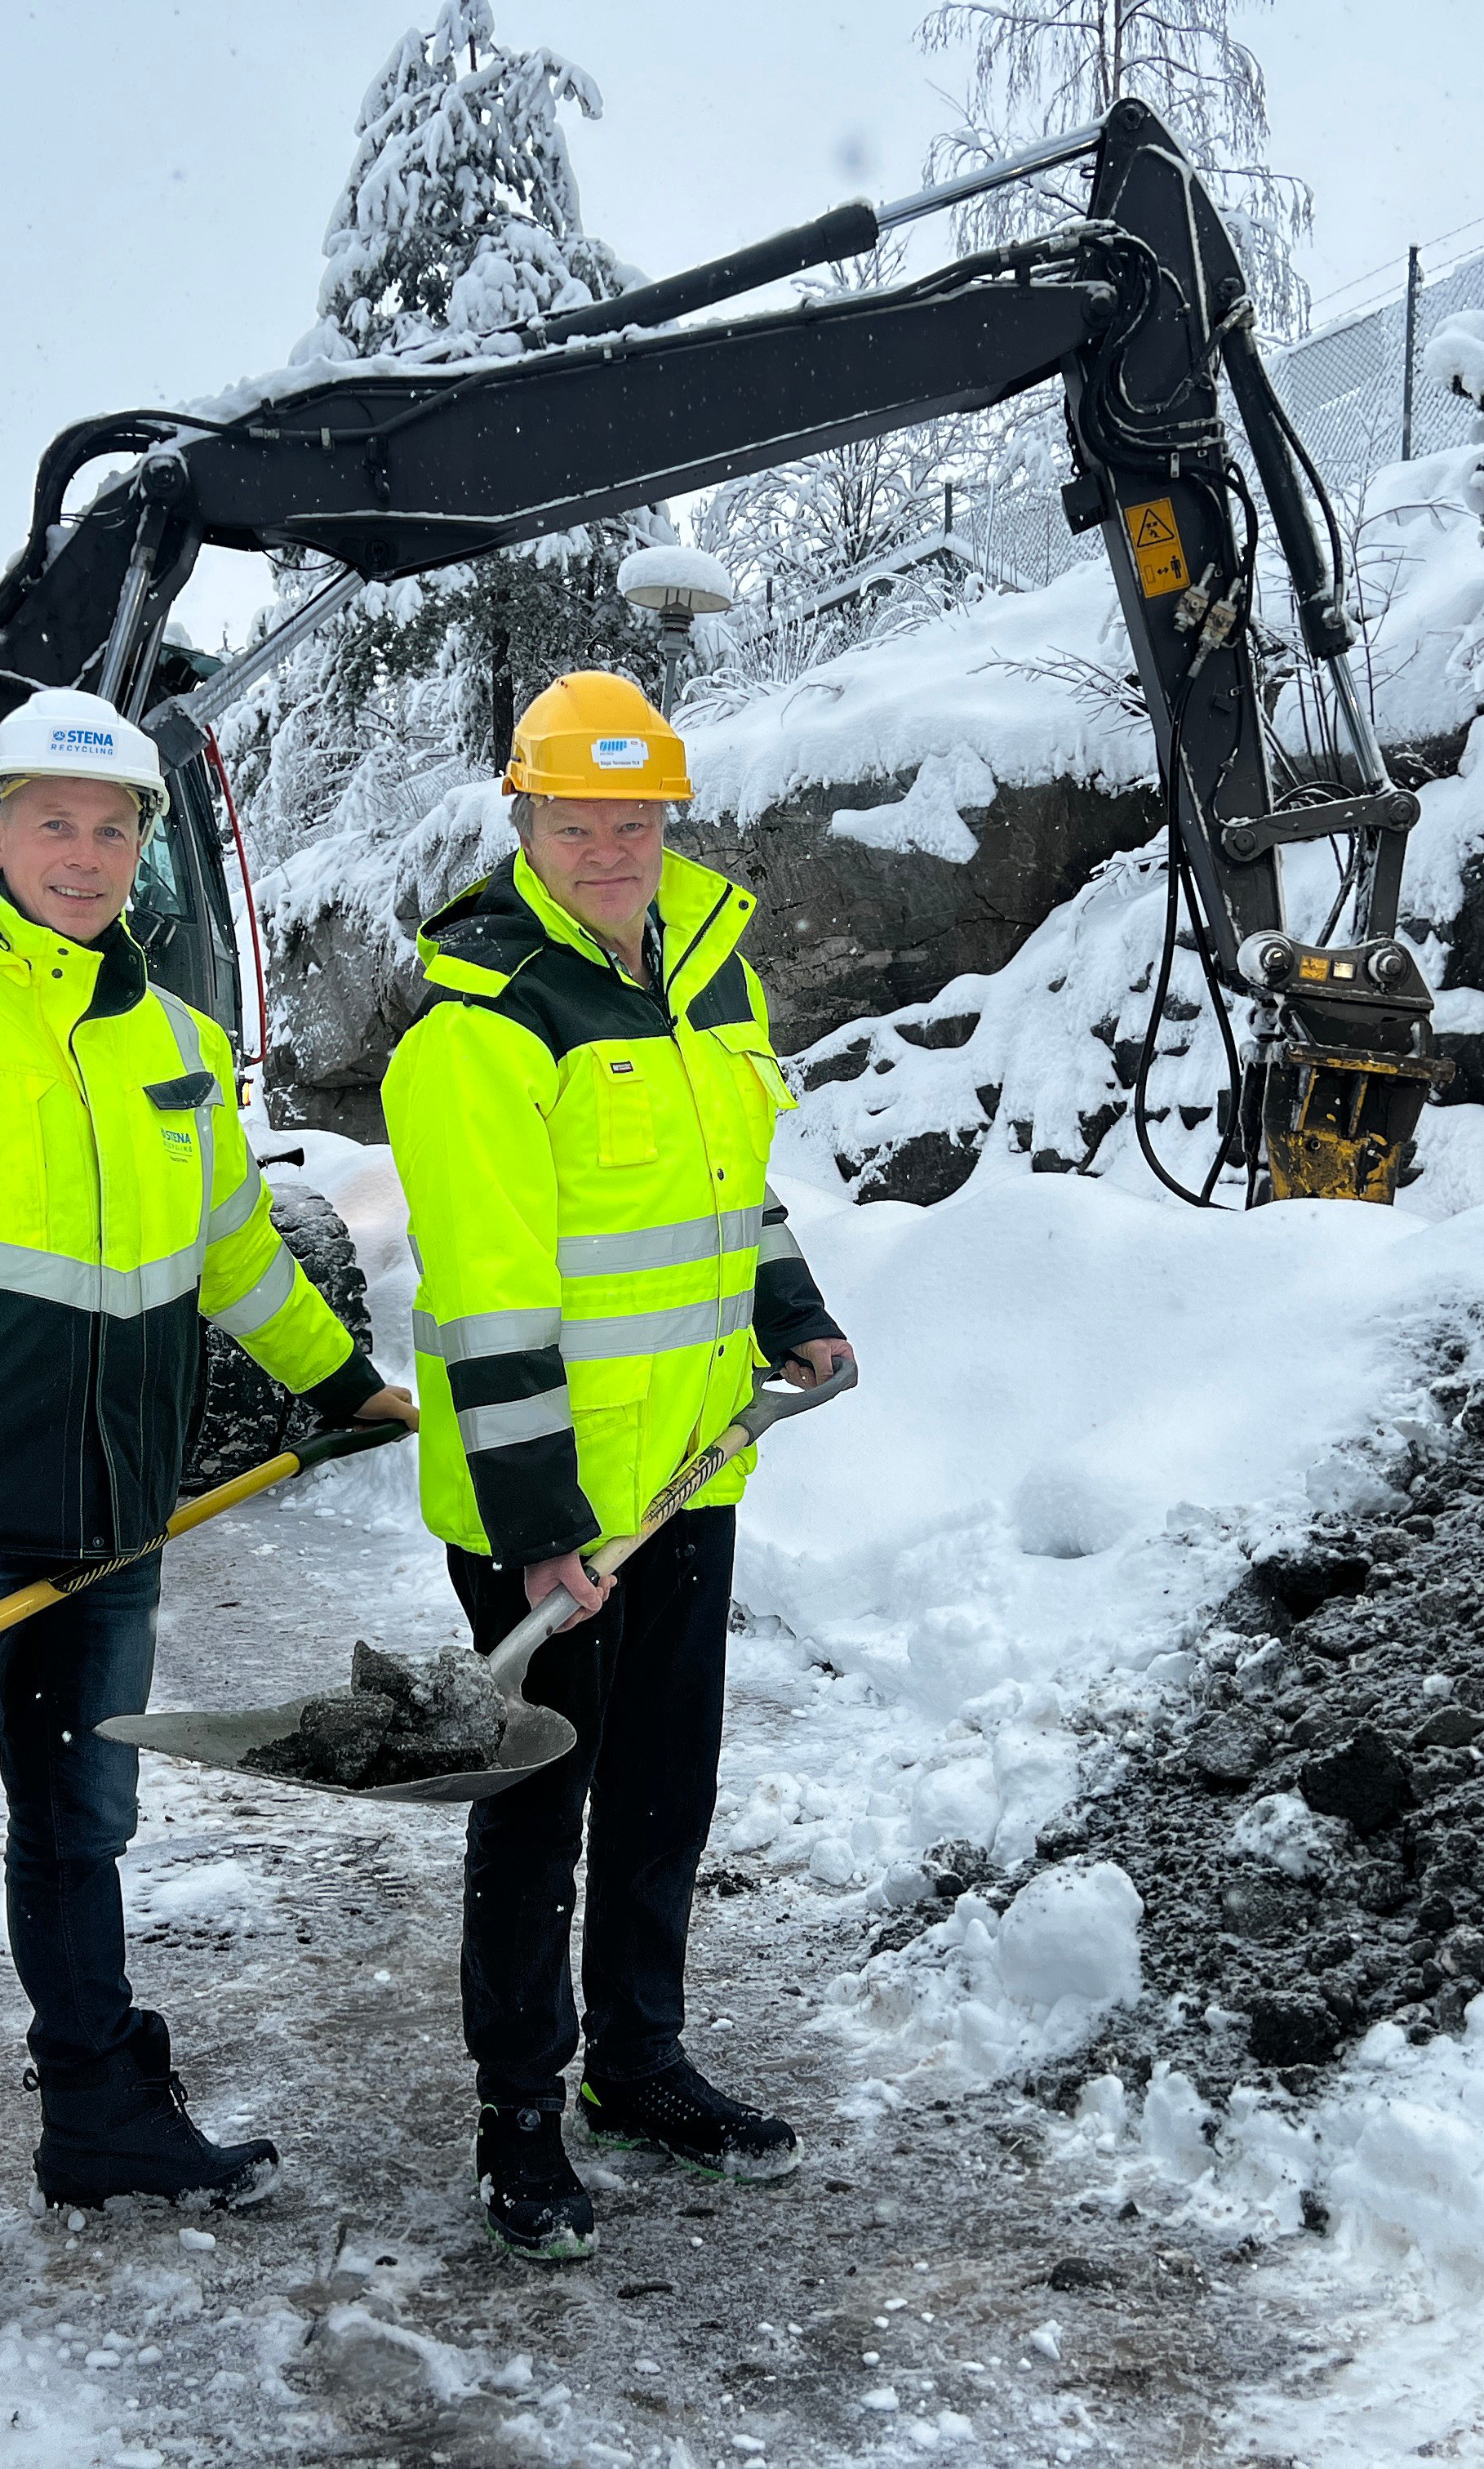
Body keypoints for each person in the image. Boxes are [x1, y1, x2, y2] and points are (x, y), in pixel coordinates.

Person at [0, 686, 415, 2354]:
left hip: (117, 1531)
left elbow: (232, 1259)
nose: (82, 852)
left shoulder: (178, 1044)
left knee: (86, 1836)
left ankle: (101, 2121)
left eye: (111, 825)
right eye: (49, 820)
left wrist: (335, 1381)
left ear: (144, 850)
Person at [382, 670, 855, 2262]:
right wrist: (537, 1533)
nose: (609, 847)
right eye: (576, 821)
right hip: (551, 1500)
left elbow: (736, 1193)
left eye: (632, 818)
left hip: (693, 1473)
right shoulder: (481, 1031)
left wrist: (791, 1313)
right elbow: (491, 1304)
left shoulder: (712, 973)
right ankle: (521, 2116)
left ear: (667, 817)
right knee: (537, 1810)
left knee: (664, 1792)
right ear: (524, 821)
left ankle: (636, 2068)